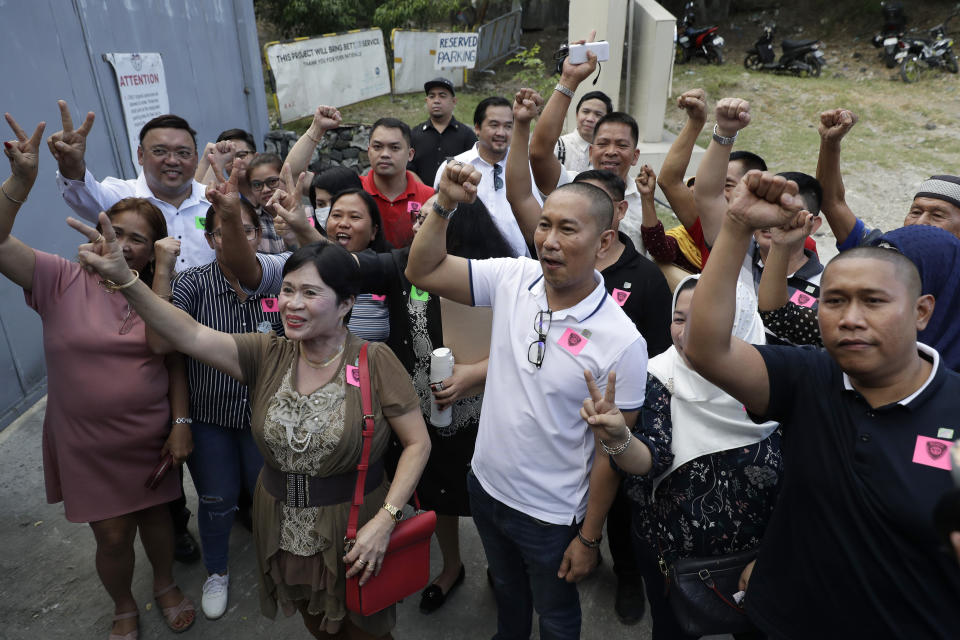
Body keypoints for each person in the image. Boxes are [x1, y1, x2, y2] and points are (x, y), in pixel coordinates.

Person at [68, 171, 431, 639]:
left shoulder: (375, 360)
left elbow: (417, 443)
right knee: (315, 621)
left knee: (364, 627)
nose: (292, 305)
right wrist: (126, 281)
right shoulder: (268, 353)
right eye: (288, 291)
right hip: (281, 522)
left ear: (345, 305)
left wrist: (387, 520)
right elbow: (187, 333)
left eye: (311, 294)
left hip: (356, 522)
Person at [682, 170, 960, 637]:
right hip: (779, 621)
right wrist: (736, 226)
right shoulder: (810, 375)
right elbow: (707, 348)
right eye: (834, 301)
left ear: (922, 311)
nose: (851, 319)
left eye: (873, 301)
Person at [407, 160, 649, 639]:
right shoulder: (515, 278)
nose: (550, 241)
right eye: (544, 225)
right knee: (507, 596)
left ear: (604, 243)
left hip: (551, 516)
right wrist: (444, 205)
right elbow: (423, 268)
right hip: (486, 487)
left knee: (556, 616)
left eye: (567, 229)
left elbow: (612, 453)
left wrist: (589, 536)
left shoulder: (622, 342)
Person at [2, 113, 195, 639]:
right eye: (117, 231)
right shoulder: (58, 279)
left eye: (139, 239)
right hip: (86, 442)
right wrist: (20, 184)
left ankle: (163, 583)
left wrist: (180, 422)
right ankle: (123, 604)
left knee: (158, 522)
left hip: (149, 435)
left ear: (154, 248)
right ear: (97, 230)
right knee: (111, 537)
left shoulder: (155, 293)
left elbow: (167, 352)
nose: (125, 244)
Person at [609, 275, 782, 639]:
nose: (688, 333)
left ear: (741, 320)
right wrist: (619, 439)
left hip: (759, 561)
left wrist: (769, 557)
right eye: (680, 318)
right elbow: (652, 459)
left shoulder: (778, 378)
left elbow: (803, 477)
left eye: (706, 319)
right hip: (670, 556)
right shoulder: (658, 375)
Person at [165, 197, 281, 620]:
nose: (234, 237)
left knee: (267, 493)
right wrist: (181, 420)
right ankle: (217, 570)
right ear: (211, 238)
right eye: (222, 231)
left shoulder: (277, 279)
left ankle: (279, 564)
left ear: (257, 234)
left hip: (263, 417)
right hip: (210, 416)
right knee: (217, 499)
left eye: (246, 229)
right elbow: (168, 346)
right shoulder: (193, 282)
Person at [49, 100, 213, 270]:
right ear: (140, 155)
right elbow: (85, 195)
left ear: (195, 158)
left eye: (183, 153)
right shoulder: (122, 198)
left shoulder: (215, 201)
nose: (172, 160)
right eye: (159, 151)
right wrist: (72, 165)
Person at [528, 48, 649, 256]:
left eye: (621, 145)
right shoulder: (570, 184)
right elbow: (539, 152)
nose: (611, 152)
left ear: (635, 155)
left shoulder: (642, 200)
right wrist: (569, 80)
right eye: (603, 144)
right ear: (591, 152)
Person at [815, 108, 960, 247]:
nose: (920, 222)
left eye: (937, 215)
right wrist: (829, 142)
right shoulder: (884, 255)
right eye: (915, 213)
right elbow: (831, 202)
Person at [432, 96, 532, 258]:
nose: (501, 132)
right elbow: (437, 213)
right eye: (494, 125)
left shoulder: (527, 169)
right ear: (477, 128)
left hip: (517, 266)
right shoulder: (454, 168)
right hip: (464, 264)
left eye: (508, 126)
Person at [360, 118, 435, 249]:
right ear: (368, 151)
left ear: (410, 154)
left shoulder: (429, 197)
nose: (385, 154)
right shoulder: (354, 189)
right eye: (377, 147)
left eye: (394, 148)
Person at [408, 77, 477, 185]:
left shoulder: (467, 135)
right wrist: (426, 194)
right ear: (427, 101)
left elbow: (476, 169)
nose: (436, 100)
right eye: (432, 96)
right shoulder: (414, 135)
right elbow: (407, 169)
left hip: (456, 199)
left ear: (454, 101)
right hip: (422, 199)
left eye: (442, 96)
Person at [553, 90, 613, 173]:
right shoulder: (558, 146)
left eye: (598, 114)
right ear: (577, 114)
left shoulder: (610, 153)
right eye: (586, 112)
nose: (590, 119)